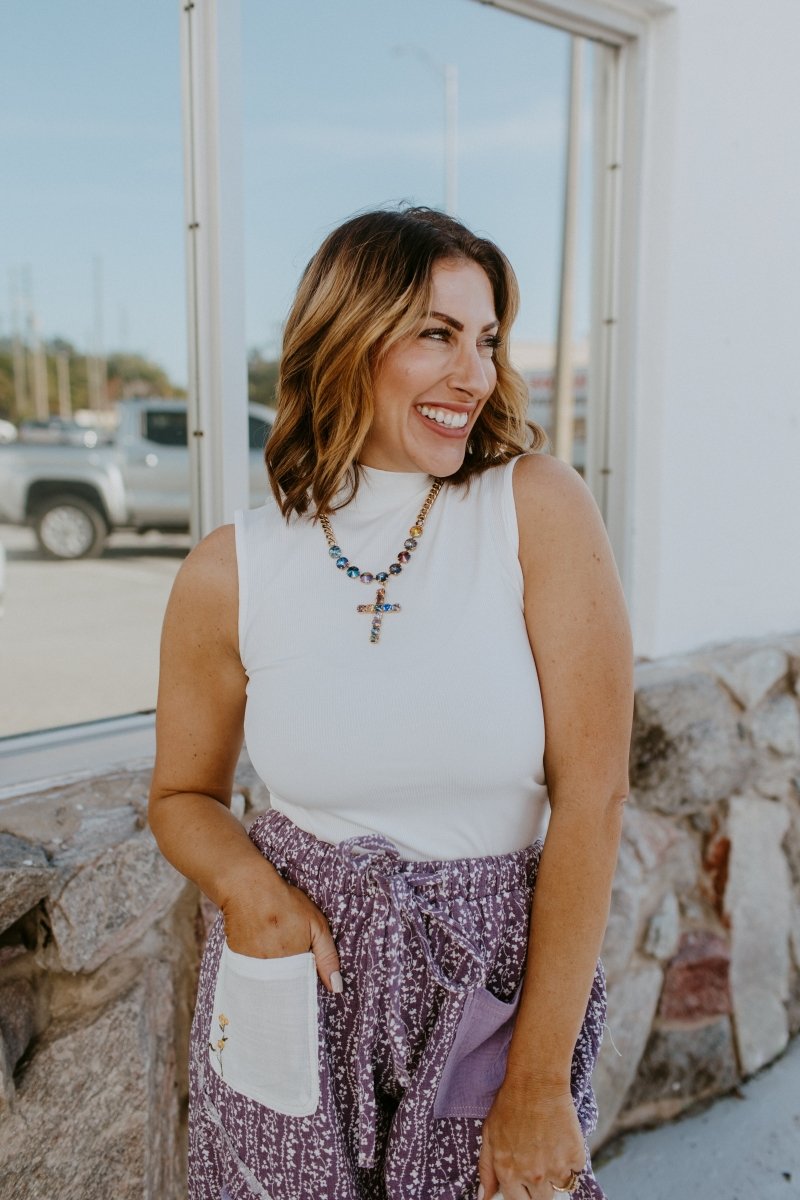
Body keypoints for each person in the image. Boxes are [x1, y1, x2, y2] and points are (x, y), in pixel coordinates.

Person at [148, 206, 633, 1200]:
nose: (476, 375)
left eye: (486, 339)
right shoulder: (229, 570)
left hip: (485, 996)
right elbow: (182, 797)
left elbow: (594, 797)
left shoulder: (532, 508)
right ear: (347, 339)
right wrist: (251, 890)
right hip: (297, 988)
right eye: (435, 335)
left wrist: (537, 1083)